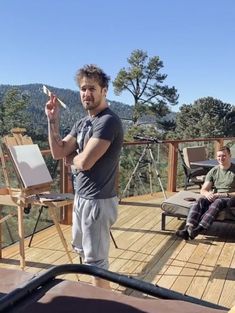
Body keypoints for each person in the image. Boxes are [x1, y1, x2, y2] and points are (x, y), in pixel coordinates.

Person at [45, 64, 124, 288]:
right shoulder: (82, 123)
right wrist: (52, 120)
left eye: (92, 88)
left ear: (104, 90)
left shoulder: (108, 121)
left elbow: (86, 162)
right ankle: (96, 299)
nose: (86, 94)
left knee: (96, 264)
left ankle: (104, 305)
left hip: (99, 201)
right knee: (85, 255)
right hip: (82, 197)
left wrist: (74, 159)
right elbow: (58, 152)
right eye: (83, 89)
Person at [176, 146, 235, 240]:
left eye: (224, 156)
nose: (221, 158)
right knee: (200, 200)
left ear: (229, 156)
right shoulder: (214, 171)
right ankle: (188, 228)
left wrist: (222, 195)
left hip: (230, 197)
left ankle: (199, 229)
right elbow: (203, 189)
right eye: (219, 156)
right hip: (216, 195)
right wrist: (208, 194)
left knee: (218, 202)